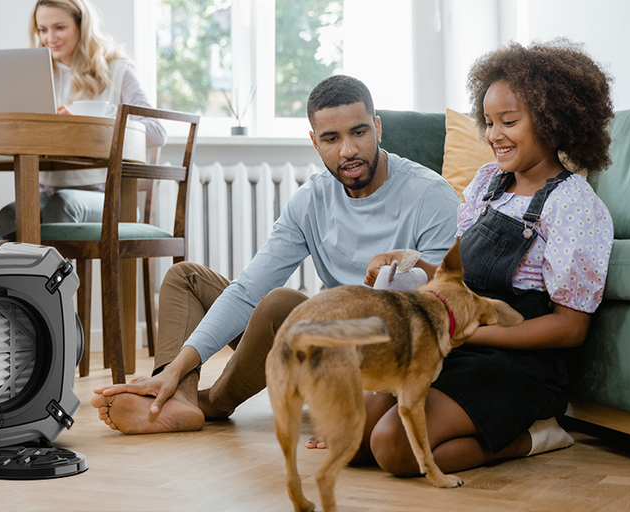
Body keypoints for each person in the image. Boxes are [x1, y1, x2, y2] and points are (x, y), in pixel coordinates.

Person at [90, 75, 463, 434]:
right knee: (185, 278)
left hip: (377, 346)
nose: (348, 150)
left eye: (359, 132)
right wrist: (174, 369)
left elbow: (436, 310)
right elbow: (247, 290)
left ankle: (213, 403)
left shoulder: (430, 195)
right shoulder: (309, 200)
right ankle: (174, 391)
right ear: (315, 143)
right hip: (319, 339)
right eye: (332, 138)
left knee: (281, 304)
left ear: (378, 128)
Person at [317, 39, 615, 476]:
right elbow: (464, 280)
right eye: (490, 121)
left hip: (519, 364)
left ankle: (535, 436)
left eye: (508, 121)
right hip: (459, 343)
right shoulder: (489, 183)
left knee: (396, 450)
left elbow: (570, 328)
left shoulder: (573, 205)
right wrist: (414, 265)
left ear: (554, 122)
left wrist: (467, 334)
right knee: (352, 438)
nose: (493, 135)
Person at [0, 0, 167, 239]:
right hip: (47, 192)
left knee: (62, 205)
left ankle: (57, 278)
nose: (50, 38)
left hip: (104, 194)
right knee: (8, 216)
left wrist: (88, 124)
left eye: (59, 27)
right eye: (43, 30)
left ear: (81, 26)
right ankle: (20, 278)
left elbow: (157, 131)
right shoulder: (37, 74)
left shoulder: (116, 69)